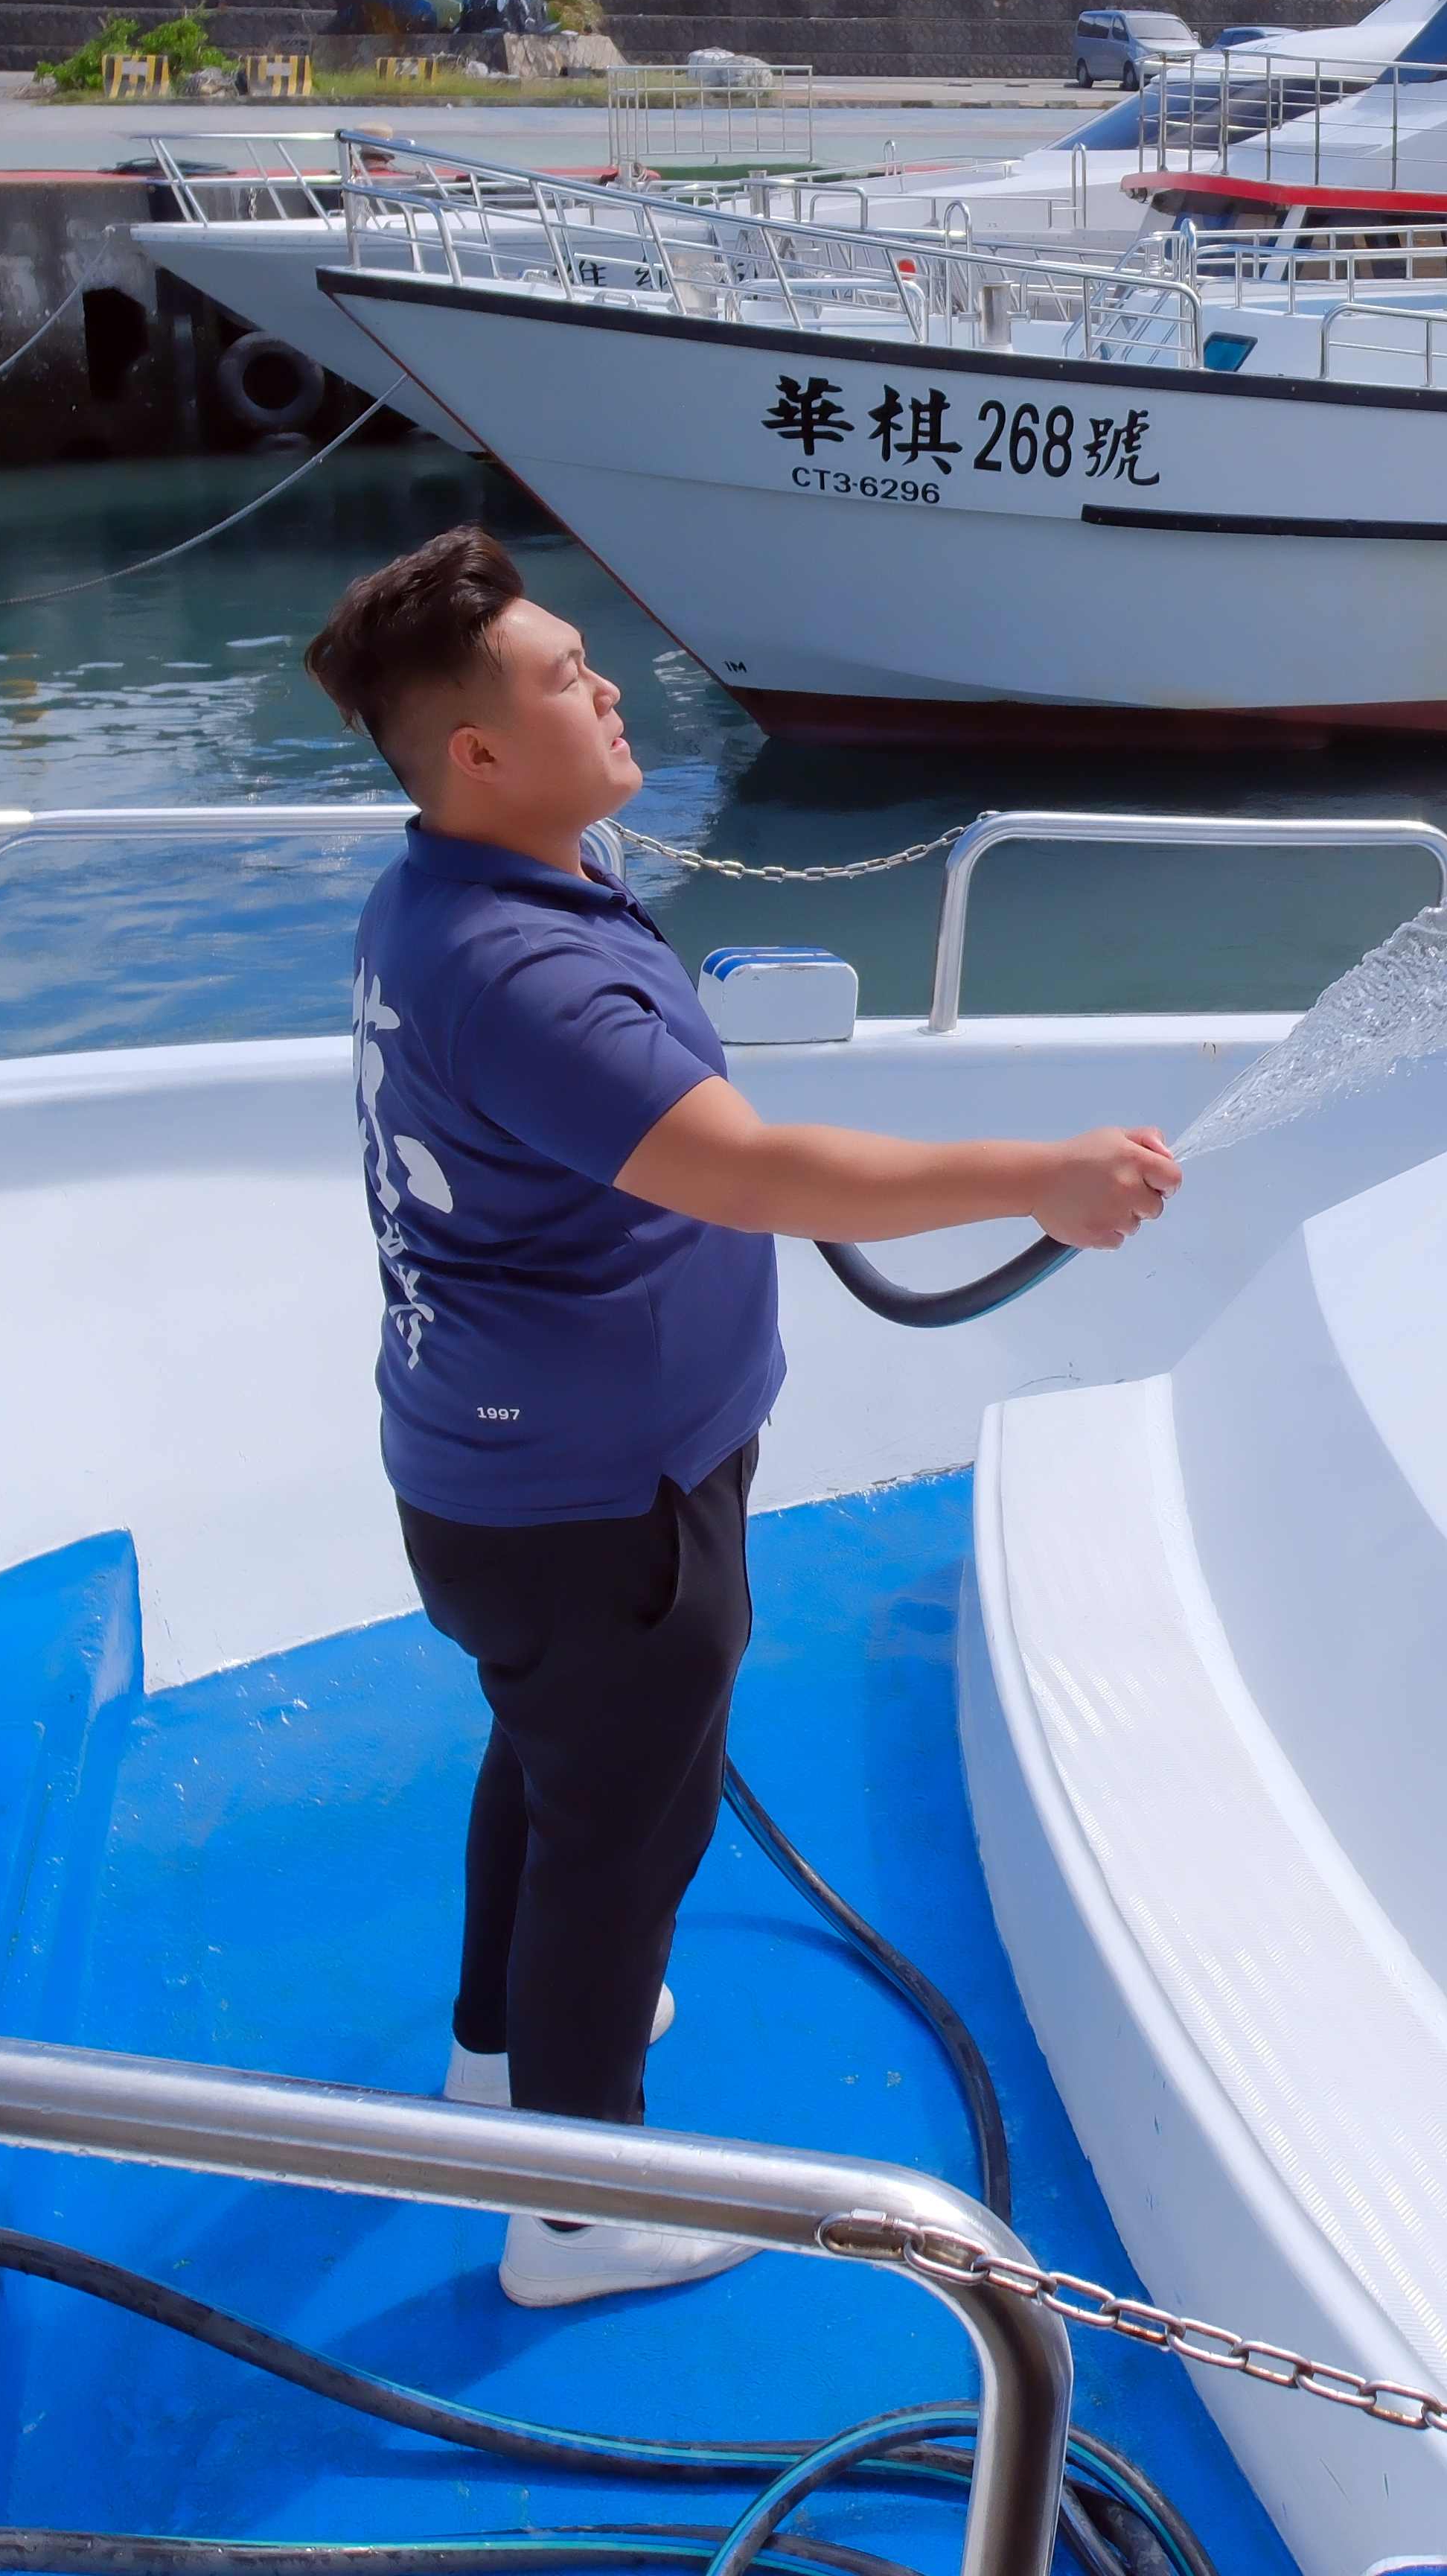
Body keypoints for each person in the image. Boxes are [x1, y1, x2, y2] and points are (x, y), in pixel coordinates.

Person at [305, 530, 1177, 2305]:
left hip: (513, 1477)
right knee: (624, 1832)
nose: (610, 685)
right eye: (564, 676)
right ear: (473, 751)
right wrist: (1045, 1173)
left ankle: (501, 2062)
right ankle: (572, 2212)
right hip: (595, 1499)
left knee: (551, 1768)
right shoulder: (525, 971)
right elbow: (754, 1162)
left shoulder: (466, 885)